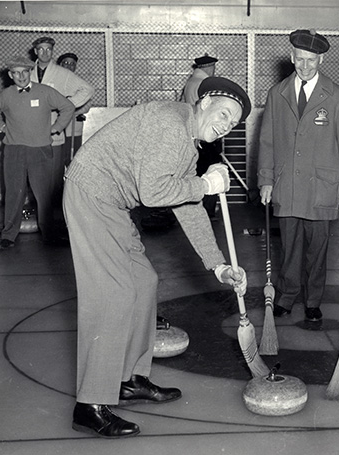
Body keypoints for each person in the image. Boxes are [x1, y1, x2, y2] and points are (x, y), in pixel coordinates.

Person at [63, 77, 251, 438]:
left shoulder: (188, 140)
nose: (226, 124)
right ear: (205, 101)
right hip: (92, 195)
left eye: (233, 122)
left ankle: (129, 380)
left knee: (144, 281)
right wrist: (206, 185)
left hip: (113, 204)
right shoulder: (171, 124)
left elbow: (186, 204)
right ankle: (90, 405)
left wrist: (219, 265)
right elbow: (154, 192)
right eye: (224, 114)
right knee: (114, 294)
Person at [258, 29, 339, 322]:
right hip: (286, 184)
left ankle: (313, 300)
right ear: (292, 57)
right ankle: (286, 296)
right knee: (289, 248)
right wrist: (265, 180)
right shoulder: (277, 94)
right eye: (300, 60)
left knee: (318, 249)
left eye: (311, 61)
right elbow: (267, 140)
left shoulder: (337, 96)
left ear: (321, 59)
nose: (304, 66)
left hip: (321, 187)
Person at [0, 56, 74, 250]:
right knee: (14, 193)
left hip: (40, 151)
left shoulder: (45, 92)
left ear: (30, 73)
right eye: (16, 73)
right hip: (14, 150)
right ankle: (8, 235)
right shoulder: (6, 95)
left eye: (25, 72)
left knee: (44, 195)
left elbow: (68, 107)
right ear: (10, 75)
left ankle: (50, 234)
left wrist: (56, 127)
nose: (21, 76)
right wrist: (2, 127)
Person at [30, 36, 95, 222]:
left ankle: (59, 221)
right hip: (31, 133)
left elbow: (87, 90)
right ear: (35, 51)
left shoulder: (61, 73)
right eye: (41, 49)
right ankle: (41, 218)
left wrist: (65, 106)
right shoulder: (27, 72)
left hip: (55, 133)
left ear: (52, 52)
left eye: (48, 50)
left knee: (55, 179)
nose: (44, 53)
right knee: (35, 177)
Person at [181, 54, 222, 219]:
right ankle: (208, 211)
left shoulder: (189, 83)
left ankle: (198, 211)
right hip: (205, 136)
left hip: (192, 134)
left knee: (196, 173)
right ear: (209, 67)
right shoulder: (204, 84)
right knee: (210, 172)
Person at [57, 52, 93, 160]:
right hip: (56, 128)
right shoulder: (54, 81)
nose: (68, 65)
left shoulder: (80, 83)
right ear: (60, 65)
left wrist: (71, 110)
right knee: (56, 159)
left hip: (73, 128)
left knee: (72, 158)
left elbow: (87, 104)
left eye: (72, 63)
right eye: (65, 63)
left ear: (75, 66)